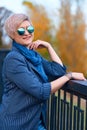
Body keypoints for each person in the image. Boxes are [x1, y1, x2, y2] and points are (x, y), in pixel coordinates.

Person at [0, 13, 86, 130]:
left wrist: (49, 46)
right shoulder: (14, 59)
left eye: (29, 28)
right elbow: (40, 91)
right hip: (18, 123)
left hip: (35, 120)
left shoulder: (32, 55)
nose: (27, 33)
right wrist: (69, 76)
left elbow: (58, 71)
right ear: (12, 34)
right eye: (21, 30)